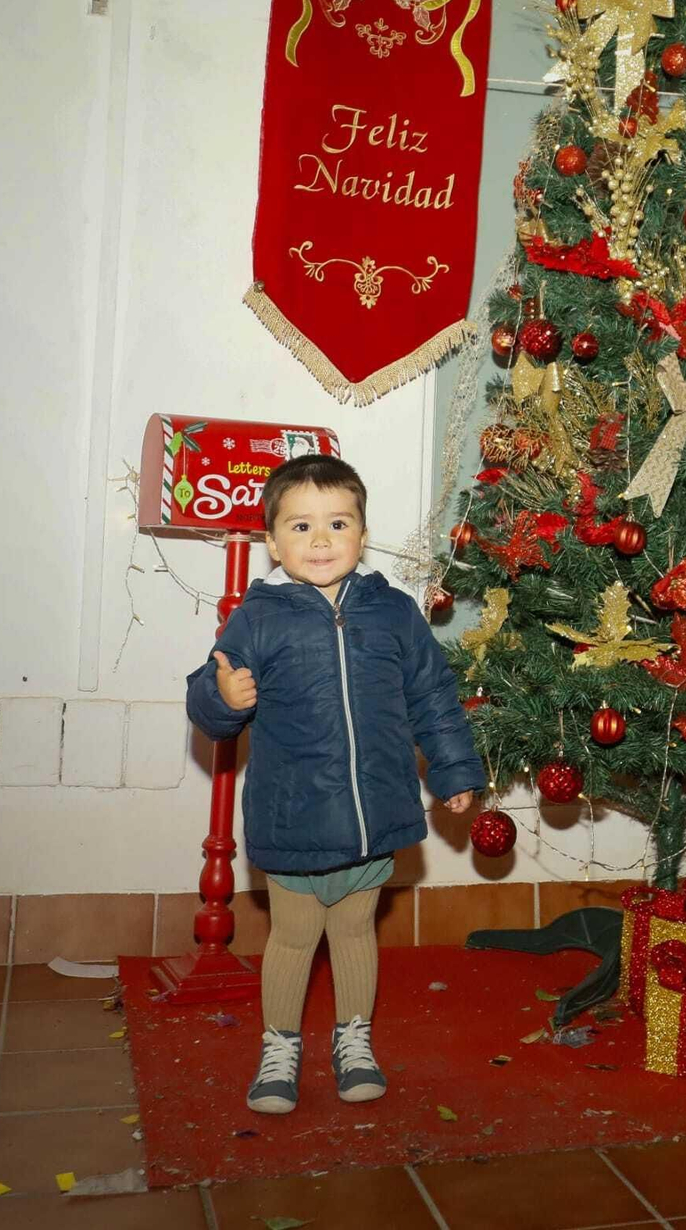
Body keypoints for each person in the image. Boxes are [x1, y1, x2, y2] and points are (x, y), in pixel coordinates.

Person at [186, 454, 483, 1114]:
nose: (320, 540)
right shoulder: (258, 616)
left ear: (361, 530)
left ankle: (355, 1040)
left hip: (375, 812)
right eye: (300, 526)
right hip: (294, 815)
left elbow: (433, 695)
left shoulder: (394, 611)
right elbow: (206, 696)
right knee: (294, 933)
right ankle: (280, 1045)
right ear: (272, 541)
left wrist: (455, 769)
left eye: (337, 522)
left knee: (354, 928)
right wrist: (223, 694)